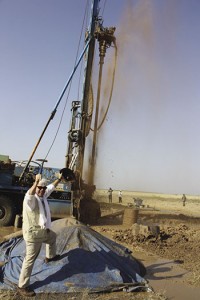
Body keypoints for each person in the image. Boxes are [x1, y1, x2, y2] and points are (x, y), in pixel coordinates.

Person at [18, 172, 63, 297]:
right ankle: (22, 286)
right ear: (36, 187)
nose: (42, 190)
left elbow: (50, 187)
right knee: (29, 260)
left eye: (43, 188)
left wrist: (58, 179)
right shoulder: (31, 199)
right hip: (33, 235)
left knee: (53, 237)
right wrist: (36, 183)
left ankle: (50, 256)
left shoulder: (43, 195)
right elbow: (30, 195)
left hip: (43, 231)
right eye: (40, 188)